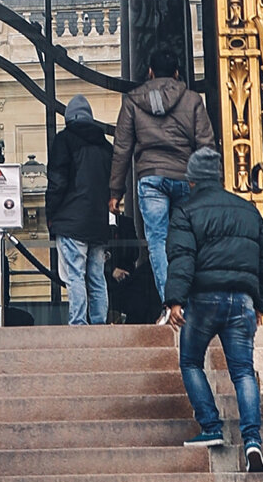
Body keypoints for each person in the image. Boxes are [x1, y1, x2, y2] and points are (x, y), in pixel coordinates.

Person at [165, 144, 263, 474]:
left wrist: (175, 300)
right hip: (242, 300)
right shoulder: (248, 210)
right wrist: (262, 304)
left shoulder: (185, 210)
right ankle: (252, 441)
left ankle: (211, 426)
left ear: (192, 180)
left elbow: (183, 258)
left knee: (191, 360)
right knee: (242, 371)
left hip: (204, 298)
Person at [108, 46, 214, 305]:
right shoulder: (192, 100)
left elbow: (122, 148)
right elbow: (206, 145)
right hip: (185, 177)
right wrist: (208, 185)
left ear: (150, 72)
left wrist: (115, 192)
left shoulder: (133, 101)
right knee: (186, 240)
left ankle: (172, 303)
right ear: (177, 73)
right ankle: (189, 301)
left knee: (157, 241)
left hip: (151, 178)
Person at [44, 94, 113, 326]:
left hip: (71, 220)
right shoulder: (105, 146)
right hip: (98, 221)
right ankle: (100, 324)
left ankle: (78, 325)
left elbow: (57, 182)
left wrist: (51, 215)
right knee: (96, 276)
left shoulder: (65, 140)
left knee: (75, 275)